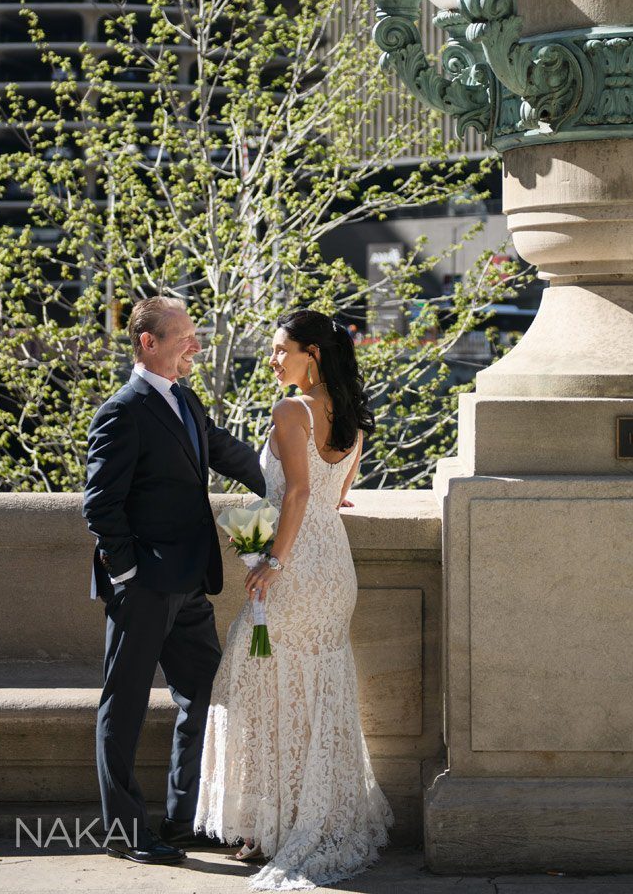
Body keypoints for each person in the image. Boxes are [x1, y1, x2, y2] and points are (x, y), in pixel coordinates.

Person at [195, 309, 393, 890]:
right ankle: (303, 819)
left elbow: (300, 491)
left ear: (312, 353)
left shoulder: (291, 410)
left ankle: (272, 830)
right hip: (334, 566)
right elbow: (337, 496)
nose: (274, 360)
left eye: (282, 350)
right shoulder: (350, 416)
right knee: (314, 690)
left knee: (261, 684)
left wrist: (272, 560)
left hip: (297, 567)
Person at [83, 295, 266, 866]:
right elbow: (99, 504)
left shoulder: (185, 400)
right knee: (125, 706)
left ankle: (185, 820)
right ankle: (125, 831)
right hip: (143, 589)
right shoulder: (121, 411)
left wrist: (297, 484)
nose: (196, 346)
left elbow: (227, 453)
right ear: (148, 342)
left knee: (207, 695)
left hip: (190, 582)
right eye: (185, 337)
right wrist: (130, 573)